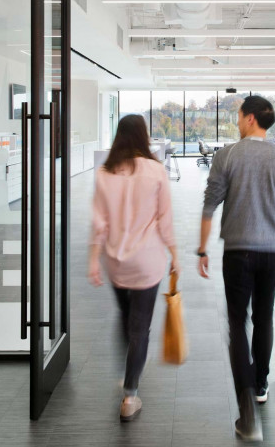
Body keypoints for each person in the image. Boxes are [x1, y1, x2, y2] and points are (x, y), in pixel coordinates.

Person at [198, 95, 275, 442]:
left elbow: (210, 205)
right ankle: (260, 384)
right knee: (264, 317)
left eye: (239, 114)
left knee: (237, 323)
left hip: (237, 253)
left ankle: (246, 407)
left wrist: (202, 249)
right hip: (273, 253)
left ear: (249, 119)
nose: (236, 120)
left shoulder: (226, 155)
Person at [88, 114, 179, 422]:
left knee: (126, 317)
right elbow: (164, 219)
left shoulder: (104, 172)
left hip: (115, 260)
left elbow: (98, 222)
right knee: (140, 326)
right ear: (143, 136)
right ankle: (130, 394)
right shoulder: (156, 170)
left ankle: (128, 371)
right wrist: (175, 253)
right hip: (148, 260)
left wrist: (92, 261)